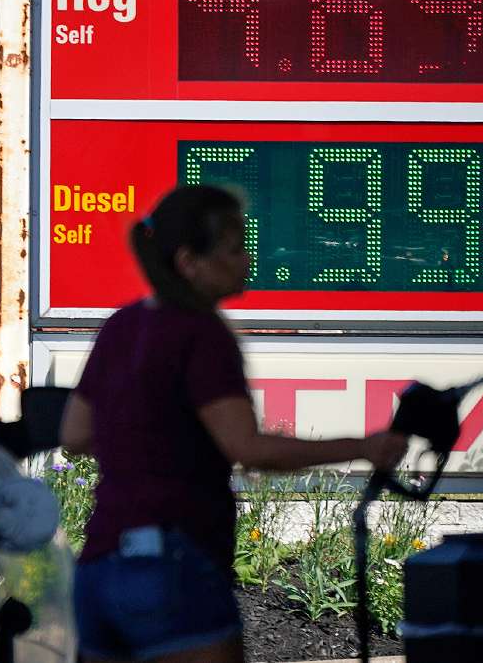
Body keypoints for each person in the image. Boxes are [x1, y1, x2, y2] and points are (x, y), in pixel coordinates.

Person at [60, 185, 409, 663]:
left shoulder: (122, 326)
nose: (246, 260)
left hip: (98, 572)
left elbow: (74, 435)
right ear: (189, 261)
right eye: (234, 248)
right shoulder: (202, 334)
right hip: (173, 569)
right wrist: (364, 447)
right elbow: (249, 448)